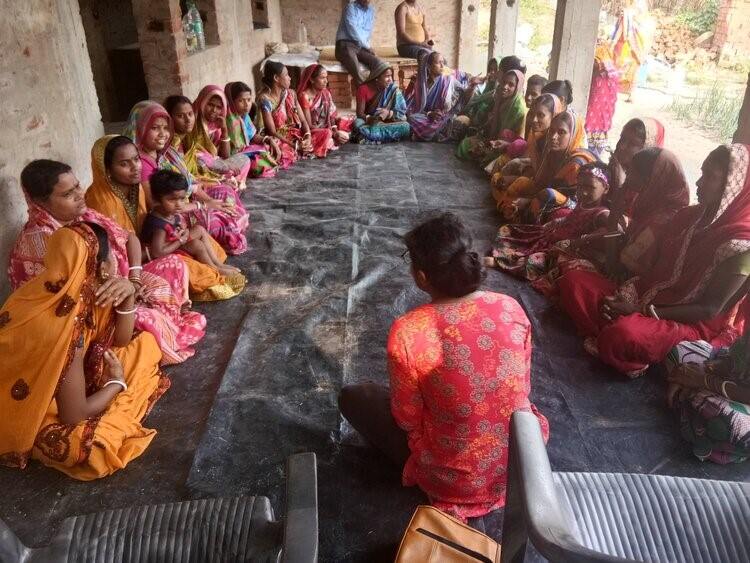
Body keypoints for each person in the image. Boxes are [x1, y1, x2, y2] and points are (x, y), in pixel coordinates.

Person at [338, 212, 548, 520]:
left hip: (455, 480)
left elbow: (407, 418)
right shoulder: (509, 307)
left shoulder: (410, 330)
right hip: (520, 462)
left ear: (422, 277)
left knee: (354, 397)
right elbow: (522, 387)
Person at [558, 144, 750, 378]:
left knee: (623, 334)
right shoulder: (689, 217)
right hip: (646, 295)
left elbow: (709, 309)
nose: (699, 183)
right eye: (701, 173)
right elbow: (648, 272)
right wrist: (626, 301)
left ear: (735, 187)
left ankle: (618, 336)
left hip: (688, 323)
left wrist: (641, 311)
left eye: (710, 177)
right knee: (573, 282)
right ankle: (619, 334)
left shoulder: (740, 245)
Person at [0, 222, 169, 479]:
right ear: (100, 267)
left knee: (143, 343)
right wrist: (116, 383)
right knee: (93, 448)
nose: (115, 261)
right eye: (112, 255)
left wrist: (127, 296)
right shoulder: (68, 324)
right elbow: (74, 414)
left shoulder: (64, 289)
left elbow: (121, 340)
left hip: (59, 381)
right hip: (24, 408)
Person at [8, 159, 205, 366]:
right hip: (91, 310)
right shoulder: (40, 243)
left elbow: (130, 238)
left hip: (122, 283)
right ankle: (157, 328)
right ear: (41, 203)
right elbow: (69, 304)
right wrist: (125, 293)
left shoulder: (85, 215)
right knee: (148, 322)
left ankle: (166, 319)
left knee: (173, 264)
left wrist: (134, 279)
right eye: (67, 194)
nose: (79, 195)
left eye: (77, 186)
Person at [85, 134, 245, 301]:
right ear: (107, 169)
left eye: (136, 159)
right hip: (131, 264)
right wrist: (164, 246)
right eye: (124, 164)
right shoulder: (100, 201)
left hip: (153, 246)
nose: (135, 167)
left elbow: (151, 220)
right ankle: (212, 273)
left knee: (199, 239)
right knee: (182, 264)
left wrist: (174, 234)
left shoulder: (136, 188)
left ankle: (215, 267)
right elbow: (115, 253)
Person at [539, 148, 689, 299]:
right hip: (618, 265)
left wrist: (613, 217)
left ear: (650, 180)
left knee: (571, 277)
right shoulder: (647, 203)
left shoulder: (661, 222)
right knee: (566, 262)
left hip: (633, 288)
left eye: (632, 172)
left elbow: (615, 270)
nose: (627, 176)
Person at [126, 101, 249, 255]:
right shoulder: (142, 164)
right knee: (216, 219)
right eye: (154, 128)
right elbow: (158, 206)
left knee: (225, 193)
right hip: (171, 213)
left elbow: (189, 182)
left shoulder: (163, 154)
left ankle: (229, 231)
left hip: (182, 200)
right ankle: (221, 242)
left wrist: (208, 201)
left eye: (165, 128)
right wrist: (202, 206)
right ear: (141, 128)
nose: (163, 134)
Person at [485, 162, 611, 282]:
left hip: (565, 250)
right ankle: (509, 257)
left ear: (605, 189)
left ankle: (501, 263)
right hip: (555, 236)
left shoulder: (602, 214)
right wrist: (555, 222)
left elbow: (607, 232)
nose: (583, 192)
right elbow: (571, 217)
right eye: (580, 186)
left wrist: (575, 242)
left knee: (537, 260)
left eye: (590, 187)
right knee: (513, 231)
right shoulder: (583, 202)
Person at [495, 109, 595, 224]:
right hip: (548, 200)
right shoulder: (552, 153)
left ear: (573, 135)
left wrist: (528, 201)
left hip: (575, 211)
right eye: (551, 131)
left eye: (561, 132)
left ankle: (527, 224)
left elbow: (574, 202)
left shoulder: (577, 163)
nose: (553, 137)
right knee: (517, 185)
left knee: (547, 196)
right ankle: (518, 213)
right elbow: (540, 183)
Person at [665, 330, 750, 464]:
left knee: (728, 424)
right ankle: (694, 411)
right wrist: (702, 368)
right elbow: (735, 358)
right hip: (735, 383)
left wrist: (704, 381)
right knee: (677, 353)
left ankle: (691, 407)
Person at [143, 170, 241, 279]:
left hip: (173, 242)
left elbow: (175, 229)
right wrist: (180, 240)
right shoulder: (159, 226)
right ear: (157, 199)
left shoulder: (169, 212)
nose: (179, 204)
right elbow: (157, 253)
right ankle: (214, 269)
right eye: (172, 200)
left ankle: (218, 264)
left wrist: (181, 232)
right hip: (164, 252)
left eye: (181, 199)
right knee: (196, 245)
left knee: (199, 229)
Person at [488, 92, 563, 194]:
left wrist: (515, 179)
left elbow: (546, 182)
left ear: (554, 116)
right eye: (532, 114)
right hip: (533, 179)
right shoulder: (536, 136)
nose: (534, 120)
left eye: (540, 115)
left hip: (547, 191)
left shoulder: (556, 143)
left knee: (512, 192)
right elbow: (533, 166)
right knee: (498, 179)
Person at [406, 51, 482, 142]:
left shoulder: (449, 80)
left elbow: (464, 97)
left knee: (448, 122)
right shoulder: (421, 85)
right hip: (427, 117)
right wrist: (430, 114)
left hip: (443, 117)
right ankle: (438, 133)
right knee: (412, 118)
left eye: (443, 62)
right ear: (429, 66)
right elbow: (415, 108)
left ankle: (428, 133)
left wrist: (472, 86)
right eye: (438, 63)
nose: (442, 66)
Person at [455, 70, 526, 165]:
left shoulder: (518, 108)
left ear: (518, 87)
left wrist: (491, 143)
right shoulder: (501, 99)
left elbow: (512, 137)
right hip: (494, 139)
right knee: (465, 144)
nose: (505, 87)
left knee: (484, 155)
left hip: (507, 146)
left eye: (511, 85)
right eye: (504, 82)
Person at [258, 61, 314, 167]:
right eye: (286, 75)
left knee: (324, 134)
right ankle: (295, 150)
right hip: (278, 138)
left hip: (294, 134)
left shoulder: (291, 94)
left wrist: (308, 136)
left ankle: (300, 148)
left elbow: (303, 121)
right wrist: (294, 145)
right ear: (276, 78)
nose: (290, 78)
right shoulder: (265, 100)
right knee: (277, 150)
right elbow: (272, 131)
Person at [222, 82, 280, 177]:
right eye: (241, 101)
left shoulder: (245, 116)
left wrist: (268, 139)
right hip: (235, 156)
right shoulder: (228, 120)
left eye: (249, 100)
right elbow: (227, 153)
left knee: (272, 145)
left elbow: (252, 136)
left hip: (246, 151)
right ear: (232, 101)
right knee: (257, 163)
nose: (246, 104)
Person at [296, 65, 354, 156]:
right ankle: (327, 142)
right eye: (322, 78)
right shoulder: (305, 96)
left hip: (326, 128)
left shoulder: (326, 93)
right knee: (327, 134)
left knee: (346, 121)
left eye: (326, 77)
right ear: (312, 80)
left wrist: (335, 130)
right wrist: (333, 134)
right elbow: (308, 125)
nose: (326, 81)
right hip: (312, 131)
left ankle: (331, 140)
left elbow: (331, 115)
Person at [353, 62, 411, 144]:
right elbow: (359, 113)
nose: (390, 79)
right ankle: (381, 136)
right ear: (377, 78)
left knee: (406, 126)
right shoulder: (363, 89)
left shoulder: (393, 89)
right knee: (357, 123)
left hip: (387, 121)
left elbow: (402, 112)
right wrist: (371, 119)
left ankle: (367, 136)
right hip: (370, 121)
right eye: (387, 76)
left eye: (391, 76)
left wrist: (388, 113)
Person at [611, 0, 654, 102]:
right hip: (636, 43)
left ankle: (624, 92)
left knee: (627, 68)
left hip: (632, 42)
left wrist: (627, 16)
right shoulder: (639, 7)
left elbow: (631, 18)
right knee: (630, 68)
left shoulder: (637, 6)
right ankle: (628, 93)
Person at [335, 0, 385, 86]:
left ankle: (377, 88)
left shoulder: (370, 10)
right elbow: (353, 29)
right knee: (356, 70)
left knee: (379, 64)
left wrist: (368, 47)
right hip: (345, 44)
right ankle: (365, 90)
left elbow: (367, 31)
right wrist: (367, 46)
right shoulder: (350, 7)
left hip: (360, 46)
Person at [585, 39, 620, 158]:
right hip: (602, 126)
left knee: (589, 153)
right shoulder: (612, 73)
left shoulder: (599, 75)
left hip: (592, 125)